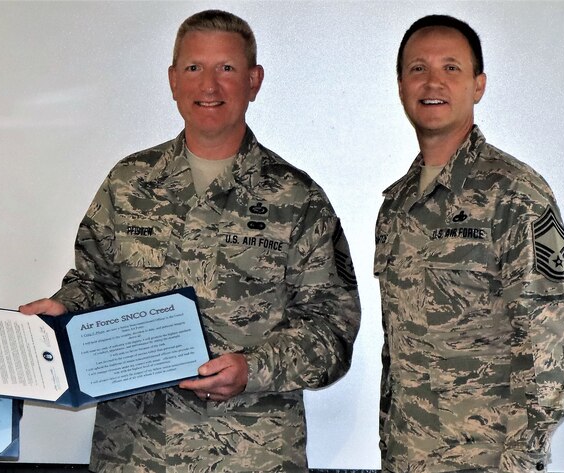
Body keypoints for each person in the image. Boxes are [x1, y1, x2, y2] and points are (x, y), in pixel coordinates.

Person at [20, 10, 360, 472]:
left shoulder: (297, 198)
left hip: (252, 454)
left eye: (226, 69)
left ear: (254, 80)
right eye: (194, 68)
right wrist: (66, 308)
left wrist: (253, 370)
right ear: (173, 80)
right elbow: (96, 283)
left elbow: (332, 329)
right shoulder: (129, 183)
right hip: (135, 451)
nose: (209, 86)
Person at [376, 15, 564, 472]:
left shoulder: (515, 195)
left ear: (478, 85)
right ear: (402, 85)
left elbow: (548, 351)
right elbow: (397, 357)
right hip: (406, 457)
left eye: (451, 68)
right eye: (417, 69)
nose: (433, 82)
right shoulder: (397, 206)